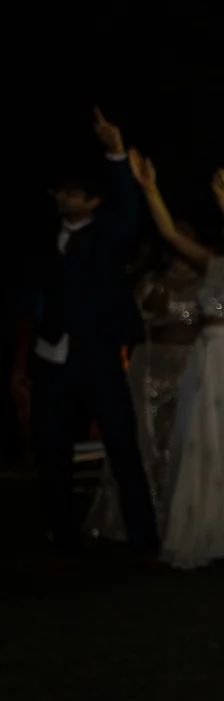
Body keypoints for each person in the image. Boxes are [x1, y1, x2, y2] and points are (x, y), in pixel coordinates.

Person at [14, 107, 160, 559]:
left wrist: (116, 154)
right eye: (59, 190)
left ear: (91, 201)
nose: (61, 196)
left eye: (71, 192)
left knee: (121, 445)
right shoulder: (43, 238)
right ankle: (63, 537)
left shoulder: (107, 235)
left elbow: (129, 212)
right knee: (51, 450)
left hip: (96, 358)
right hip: (51, 359)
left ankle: (143, 540)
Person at [134, 154, 224, 570]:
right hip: (209, 355)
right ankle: (210, 530)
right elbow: (167, 233)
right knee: (207, 442)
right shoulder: (212, 263)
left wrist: (221, 196)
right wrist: (149, 189)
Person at [84, 231, 203, 541]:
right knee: (150, 440)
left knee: (188, 440)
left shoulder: (208, 281)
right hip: (154, 366)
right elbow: (133, 320)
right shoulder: (151, 281)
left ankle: (186, 518)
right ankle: (149, 520)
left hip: (194, 367)